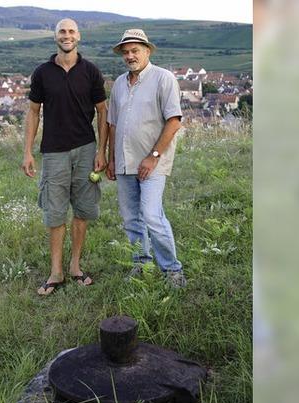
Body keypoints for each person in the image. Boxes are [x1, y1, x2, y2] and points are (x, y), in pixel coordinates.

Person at [22, 18, 108, 296]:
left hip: (85, 149)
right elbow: (33, 112)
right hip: (53, 151)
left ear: (79, 37)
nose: (67, 35)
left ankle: (75, 266)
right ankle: (56, 272)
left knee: (82, 211)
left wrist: (101, 150)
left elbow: (103, 112)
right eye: (62, 31)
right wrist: (27, 151)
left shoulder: (91, 71)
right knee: (55, 214)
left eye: (71, 31)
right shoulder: (42, 72)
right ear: (55, 36)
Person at [106, 29, 187, 288]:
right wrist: (111, 159)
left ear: (147, 51)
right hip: (124, 162)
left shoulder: (164, 78)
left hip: (153, 163)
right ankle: (140, 263)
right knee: (131, 219)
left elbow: (174, 122)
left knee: (152, 215)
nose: (130, 56)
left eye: (135, 51)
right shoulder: (119, 83)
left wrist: (152, 157)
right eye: (126, 52)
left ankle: (172, 270)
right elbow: (113, 125)